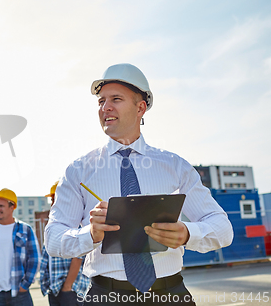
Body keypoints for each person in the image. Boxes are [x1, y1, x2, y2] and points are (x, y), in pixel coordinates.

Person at [45, 63, 234, 305]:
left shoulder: (176, 166)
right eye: (101, 101)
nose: (106, 107)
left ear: (140, 107)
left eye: (116, 99)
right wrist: (90, 233)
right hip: (105, 296)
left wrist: (187, 233)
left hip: (169, 294)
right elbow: (53, 239)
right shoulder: (78, 171)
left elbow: (222, 228)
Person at [0, 188, 41, 306]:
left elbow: (34, 258)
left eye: (1, 206)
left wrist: (25, 284)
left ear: (12, 207)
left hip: (20, 293)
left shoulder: (25, 230)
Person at [40, 181, 90, 306]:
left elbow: (77, 258)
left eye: (54, 198)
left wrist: (67, 287)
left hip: (71, 290)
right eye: (51, 199)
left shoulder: (75, 223)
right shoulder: (52, 226)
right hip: (54, 289)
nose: (52, 203)